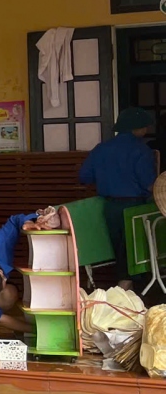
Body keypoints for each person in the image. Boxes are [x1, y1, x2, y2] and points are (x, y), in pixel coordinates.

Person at [79, 106, 158, 289]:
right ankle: (122, 295)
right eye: (144, 127)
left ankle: (125, 292)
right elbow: (149, 184)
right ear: (135, 128)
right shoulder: (141, 150)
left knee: (120, 251)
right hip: (136, 209)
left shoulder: (101, 149)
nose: (146, 131)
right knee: (132, 255)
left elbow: (84, 176)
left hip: (109, 208)